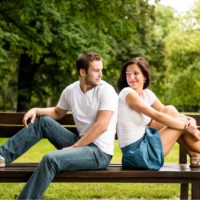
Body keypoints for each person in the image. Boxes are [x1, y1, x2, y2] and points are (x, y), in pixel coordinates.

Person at [0, 51, 118, 199]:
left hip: (99, 153)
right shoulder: (71, 90)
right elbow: (57, 113)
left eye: (101, 70)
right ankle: (2, 156)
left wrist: (75, 147)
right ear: (82, 72)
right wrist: (36, 110)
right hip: (81, 144)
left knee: (50, 159)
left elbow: (102, 125)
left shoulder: (106, 91)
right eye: (96, 70)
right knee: (42, 122)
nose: (100, 74)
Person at [117, 56, 200, 170]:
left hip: (144, 143)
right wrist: (187, 127)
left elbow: (168, 112)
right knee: (178, 124)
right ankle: (195, 153)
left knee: (170, 110)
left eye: (136, 73)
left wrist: (190, 121)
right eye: (128, 74)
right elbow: (157, 116)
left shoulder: (146, 94)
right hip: (137, 154)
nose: (131, 77)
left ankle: (195, 155)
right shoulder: (127, 93)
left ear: (145, 76)